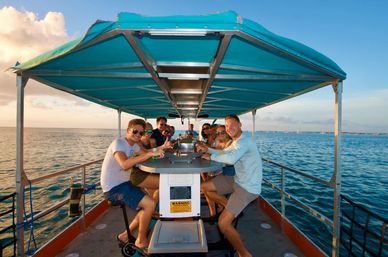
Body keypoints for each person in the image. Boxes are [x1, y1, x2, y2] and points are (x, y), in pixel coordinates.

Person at [197, 114, 263, 257]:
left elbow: (231, 159)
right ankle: (230, 208)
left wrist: (211, 156)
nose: (229, 128)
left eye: (232, 124)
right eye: (227, 125)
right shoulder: (236, 142)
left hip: (247, 188)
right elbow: (223, 152)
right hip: (237, 180)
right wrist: (207, 150)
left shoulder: (244, 141)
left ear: (240, 125)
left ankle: (245, 254)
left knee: (223, 224)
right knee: (205, 187)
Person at [100, 118, 164, 249]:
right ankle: (141, 241)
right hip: (113, 188)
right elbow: (124, 164)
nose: (138, 135)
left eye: (141, 133)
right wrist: (147, 155)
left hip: (125, 183)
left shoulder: (134, 146)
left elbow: (148, 154)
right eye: (135, 131)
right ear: (128, 130)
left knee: (148, 206)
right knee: (150, 205)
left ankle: (124, 235)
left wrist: (162, 150)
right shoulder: (118, 143)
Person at [131, 122, 171, 200]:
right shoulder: (137, 144)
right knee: (166, 183)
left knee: (153, 198)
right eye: (146, 131)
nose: (148, 133)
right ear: (142, 131)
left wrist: (161, 154)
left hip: (150, 171)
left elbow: (153, 156)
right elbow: (146, 153)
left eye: (150, 131)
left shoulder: (152, 141)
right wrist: (161, 147)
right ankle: (152, 208)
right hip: (139, 174)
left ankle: (153, 209)